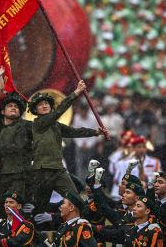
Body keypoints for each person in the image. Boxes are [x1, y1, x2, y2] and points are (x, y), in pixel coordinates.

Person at [28, 80, 108, 212]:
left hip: (58, 169)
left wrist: (95, 132)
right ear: (35, 110)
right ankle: (35, 230)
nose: (44, 106)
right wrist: (76, 93)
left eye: (46, 103)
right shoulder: (37, 124)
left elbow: (75, 131)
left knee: (75, 199)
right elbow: (59, 112)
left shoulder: (56, 125)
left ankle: (83, 225)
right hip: (42, 171)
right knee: (40, 207)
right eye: (40, 104)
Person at [0, 92, 33, 214]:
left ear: (20, 113)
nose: (14, 107)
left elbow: (19, 146)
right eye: (10, 106)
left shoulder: (24, 126)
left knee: (17, 209)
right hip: (0, 176)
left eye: (16, 106)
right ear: (2, 112)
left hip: (19, 176)